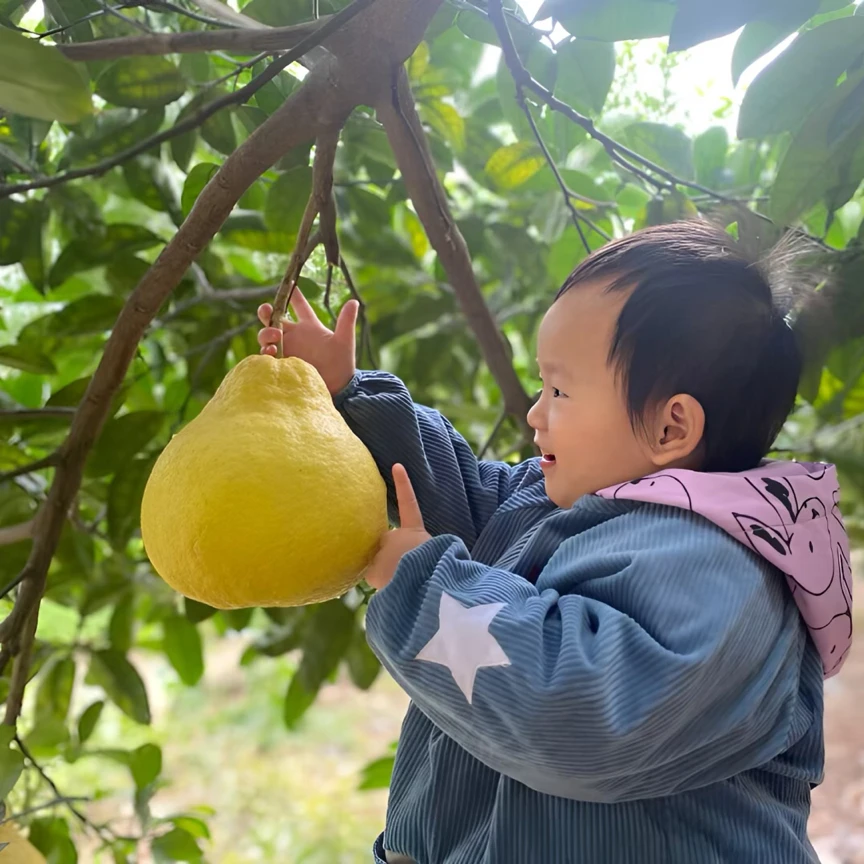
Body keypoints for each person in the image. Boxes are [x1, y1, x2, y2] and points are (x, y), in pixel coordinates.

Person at [257, 221, 853, 864]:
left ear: (670, 425)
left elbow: (586, 713)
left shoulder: (717, 566)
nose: (534, 412)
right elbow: (454, 493)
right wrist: (349, 398)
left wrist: (430, 593)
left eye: (561, 390)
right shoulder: (549, 506)